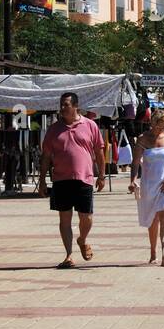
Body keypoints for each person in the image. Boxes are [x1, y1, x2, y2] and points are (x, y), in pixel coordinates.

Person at [38, 92, 107, 270]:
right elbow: (46, 156)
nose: (62, 108)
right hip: (61, 179)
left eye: (66, 105)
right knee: (64, 219)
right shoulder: (54, 129)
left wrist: (101, 175)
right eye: (61, 104)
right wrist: (42, 180)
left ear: (76, 106)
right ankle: (68, 255)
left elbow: (100, 152)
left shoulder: (90, 125)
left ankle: (82, 239)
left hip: (84, 178)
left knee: (87, 217)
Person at [129, 110, 164, 267]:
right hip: (149, 183)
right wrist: (133, 180)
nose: (161, 130)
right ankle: (153, 252)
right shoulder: (143, 139)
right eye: (159, 126)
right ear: (152, 123)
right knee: (152, 220)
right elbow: (135, 163)